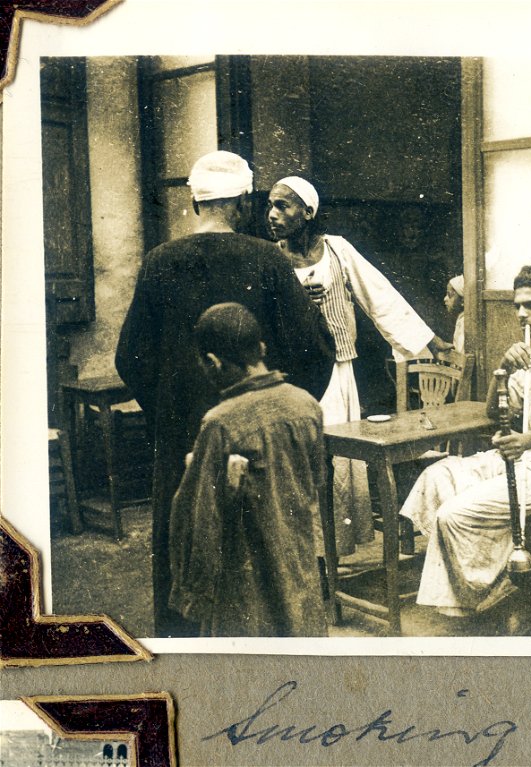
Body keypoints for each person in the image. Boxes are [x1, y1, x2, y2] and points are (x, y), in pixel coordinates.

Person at [115, 151, 335, 637]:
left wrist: (170, 414)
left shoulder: (159, 262)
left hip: (182, 441)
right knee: (269, 555)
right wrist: (280, 407)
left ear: (195, 202)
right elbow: (317, 350)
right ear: (241, 203)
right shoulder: (268, 259)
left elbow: (130, 357)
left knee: (187, 541)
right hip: (261, 440)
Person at [399, 262, 531, 617]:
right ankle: (506, 567)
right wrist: (502, 368)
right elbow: (495, 414)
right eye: (517, 306)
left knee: (454, 514)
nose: (521, 314)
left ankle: (488, 591)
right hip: (527, 460)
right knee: (438, 478)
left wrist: (524, 442)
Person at [266, 175, 452, 556]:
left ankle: (332, 550)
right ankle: (303, 552)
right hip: (292, 377)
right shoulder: (271, 259)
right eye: (270, 205)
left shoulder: (337, 251)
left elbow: (379, 295)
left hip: (336, 371)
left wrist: (431, 342)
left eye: (282, 206)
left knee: (337, 455)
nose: (273, 214)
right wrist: (297, 299)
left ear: (308, 211)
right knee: (300, 458)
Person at [168, 303, 329, 637]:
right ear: (261, 348)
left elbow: (201, 518)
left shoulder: (220, 423)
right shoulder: (306, 404)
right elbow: (316, 482)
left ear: (213, 363)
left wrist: (193, 594)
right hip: (298, 563)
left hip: (245, 575)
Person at [445, 274, 465, 354]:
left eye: (450, 295)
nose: (445, 299)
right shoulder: (461, 319)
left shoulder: (464, 322)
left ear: (463, 301)